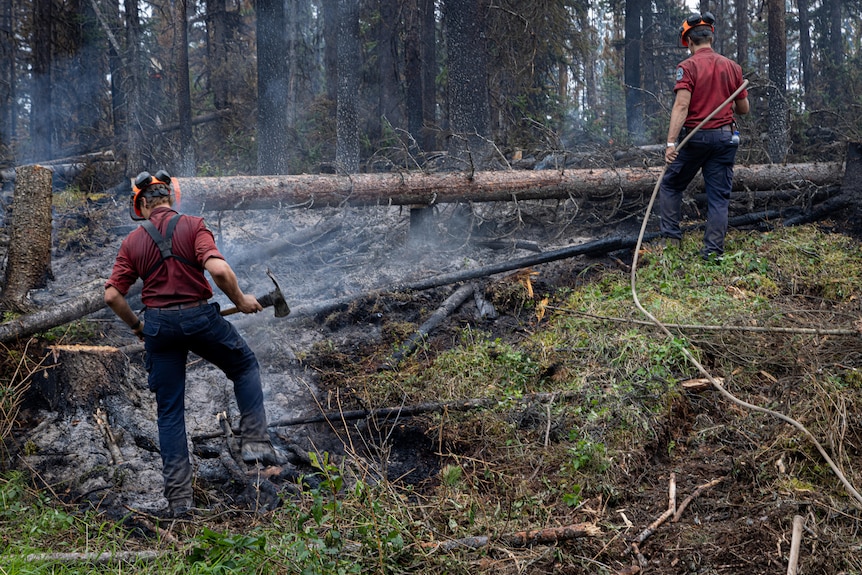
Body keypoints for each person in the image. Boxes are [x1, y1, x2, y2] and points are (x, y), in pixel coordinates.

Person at [105, 170, 280, 517]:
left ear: (140, 206)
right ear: (171, 197)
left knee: (170, 413)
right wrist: (241, 299)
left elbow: (112, 296)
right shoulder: (193, 225)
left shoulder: (133, 242)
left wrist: (139, 326)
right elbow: (219, 271)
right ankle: (257, 450)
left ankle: (180, 501)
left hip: (158, 327)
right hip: (200, 319)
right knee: (244, 366)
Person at [659, 12, 750, 260]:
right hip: (724, 140)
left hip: (696, 139)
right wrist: (723, 102)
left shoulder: (687, 67)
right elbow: (743, 109)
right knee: (719, 197)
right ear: (711, 37)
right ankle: (713, 252)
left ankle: (671, 244)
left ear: (688, 42)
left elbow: (681, 106)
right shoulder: (732, 67)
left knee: (670, 184)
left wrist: (670, 143)